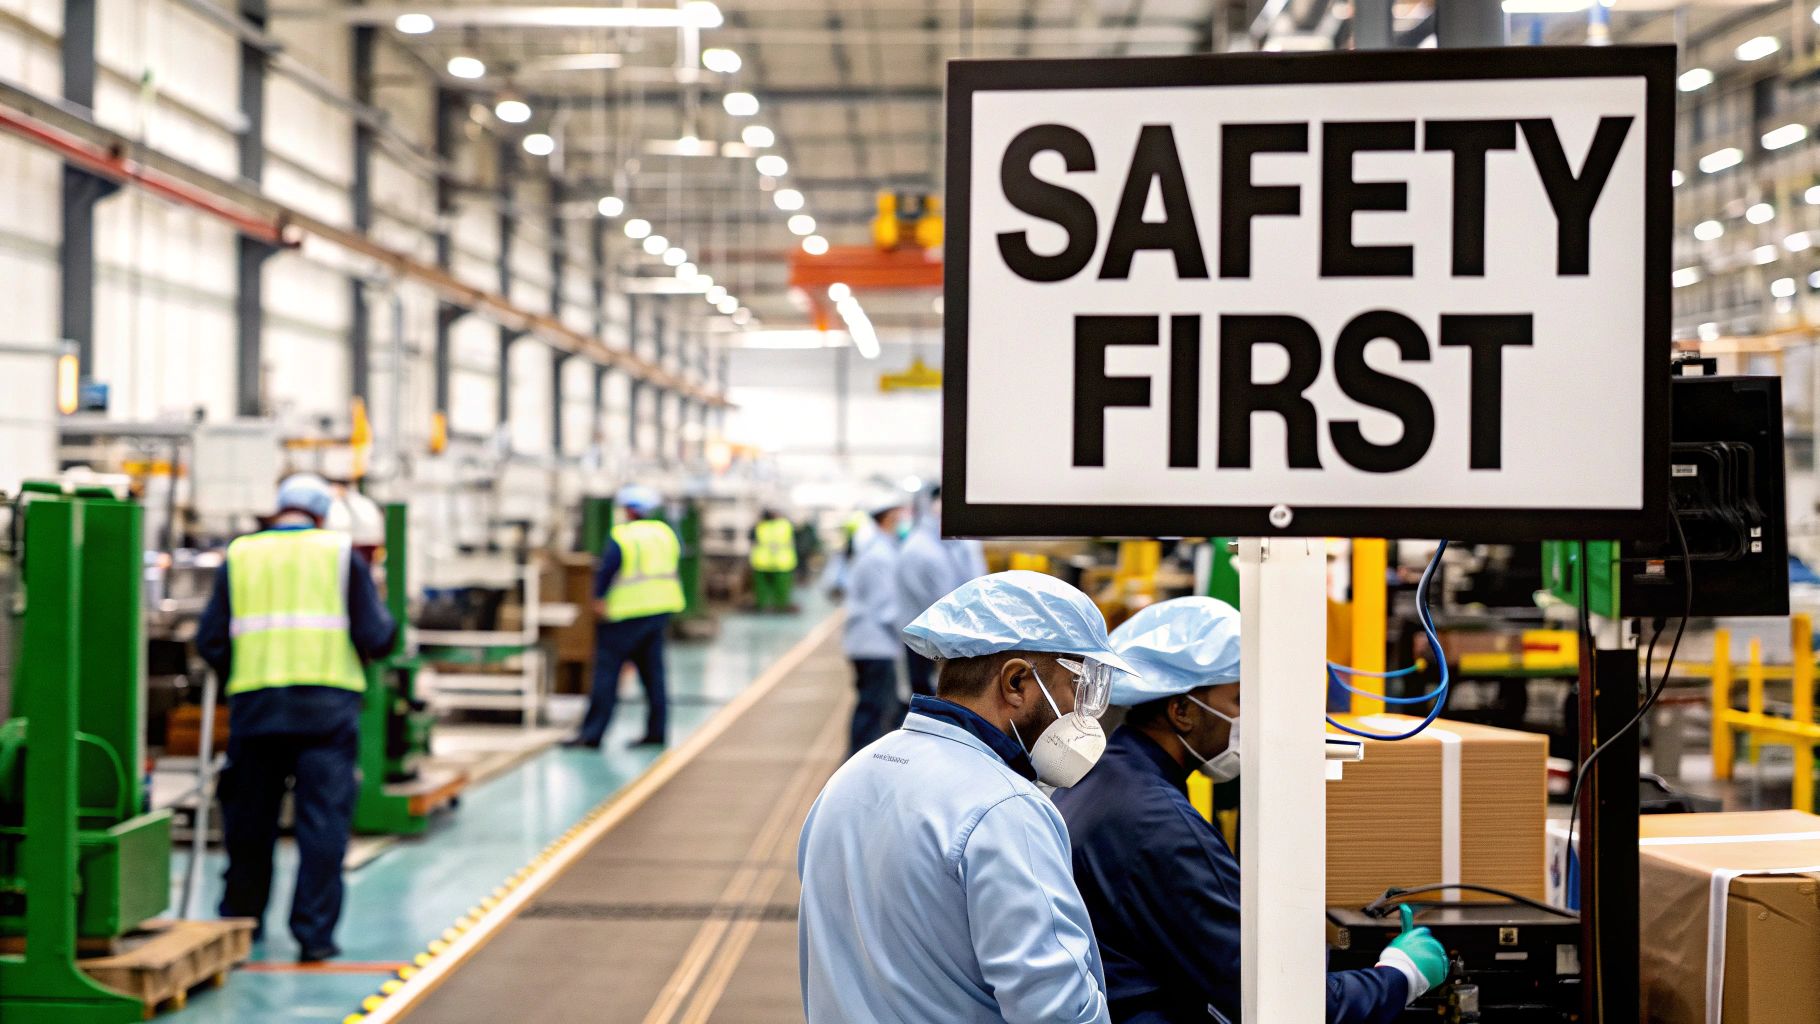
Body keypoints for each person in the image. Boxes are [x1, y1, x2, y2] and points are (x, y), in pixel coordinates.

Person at [1052, 597, 1449, 1024]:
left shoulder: (1104, 776)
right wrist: (1400, 976)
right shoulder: (1158, 825)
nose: (1257, 718)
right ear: (1181, 711)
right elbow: (1278, 1004)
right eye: (1241, 699)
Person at [799, 570, 1132, 1024]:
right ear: (1016, 682)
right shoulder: (1005, 809)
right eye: (1079, 688)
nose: (1084, 714)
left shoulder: (852, 776)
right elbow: (1059, 1013)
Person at [194, 473, 398, 962]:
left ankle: (241, 926)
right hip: (326, 713)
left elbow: (210, 641)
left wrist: (240, 674)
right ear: (322, 513)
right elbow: (377, 634)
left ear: (277, 509)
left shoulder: (241, 555)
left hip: (257, 709)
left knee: (249, 824)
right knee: (322, 825)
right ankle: (314, 936)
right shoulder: (339, 555)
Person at [565, 484, 685, 750]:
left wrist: (597, 601)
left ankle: (592, 735)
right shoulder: (665, 533)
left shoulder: (624, 536)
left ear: (629, 510)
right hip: (659, 612)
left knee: (606, 675)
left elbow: (606, 572)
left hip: (625, 616)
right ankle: (657, 732)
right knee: (654, 676)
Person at [895, 484, 986, 698]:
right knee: (926, 695)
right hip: (928, 638)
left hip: (940, 636)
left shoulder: (951, 543)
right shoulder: (922, 548)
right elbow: (943, 598)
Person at [841, 502, 907, 754]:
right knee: (874, 709)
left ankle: (857, 758)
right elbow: (887, 608)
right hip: (875, 645)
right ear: (888, 518)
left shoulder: (877, 550)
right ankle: (858, 760)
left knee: (871, 706)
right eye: (899, 516)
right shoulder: (880, 555)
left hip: (867, 644)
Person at [749, 507, 798, 612]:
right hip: (781, 562)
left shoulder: (759, 526)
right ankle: (780, 606)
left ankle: (763, 606)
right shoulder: (786, 525)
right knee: (781, 588)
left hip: (762, 562)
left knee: (763, 588)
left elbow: (751, 539)